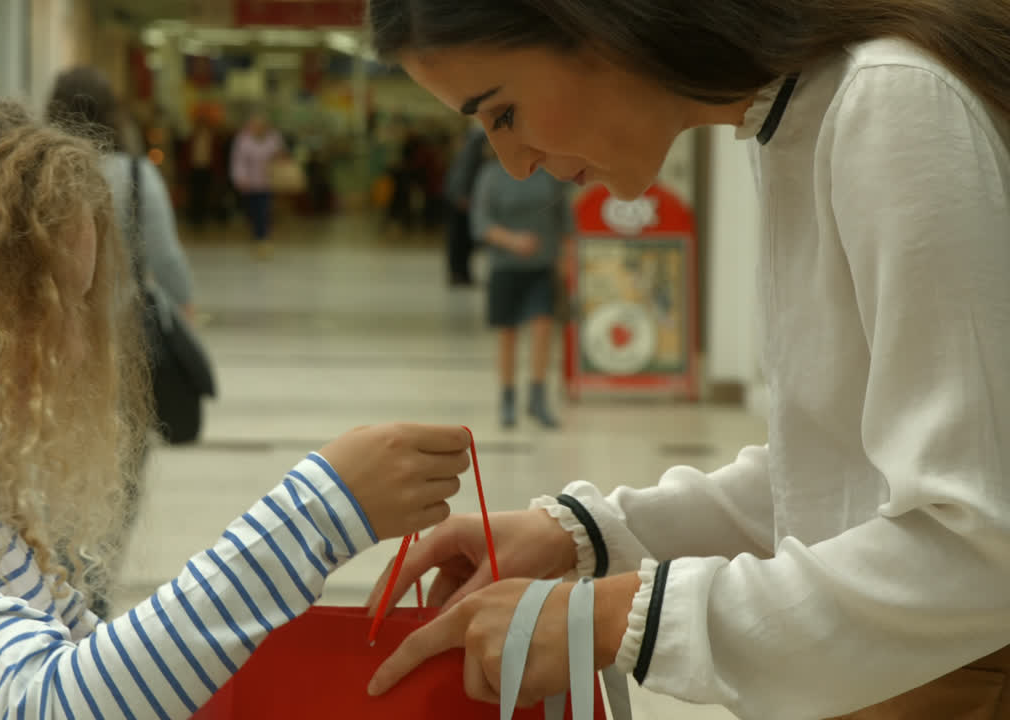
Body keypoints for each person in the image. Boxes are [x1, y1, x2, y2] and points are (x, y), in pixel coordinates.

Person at [0, 85, 473, 719]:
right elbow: (44, 702)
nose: (75, 349)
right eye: (43, 305)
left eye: (82, 305)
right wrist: (314, 515)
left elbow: (91, 665)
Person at [360, 1, 1010, 719]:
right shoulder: (798, 121)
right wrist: (585, 535)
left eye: (503, 113)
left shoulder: (890, 105)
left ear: (597, 27)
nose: (513, 166)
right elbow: (838, 475)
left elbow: (978, 546)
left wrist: (610, 618)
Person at [46, 66, 196, 319]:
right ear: (112, 112)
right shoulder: (137, 175)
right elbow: (165, 256)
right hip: (121, 323)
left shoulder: (41, 174)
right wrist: (185, 302)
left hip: (52, 324)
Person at [471, 159, 575, 429]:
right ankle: (507, 397)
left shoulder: (551, 174)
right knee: (508, 333)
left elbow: (566, 220)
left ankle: (538, 396)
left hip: (542, 267)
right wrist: (513, 241)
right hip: (504, 267)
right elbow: (481, 222)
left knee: (543, 327)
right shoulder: (491, 176)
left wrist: (566, 260)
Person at [230, 112, 285, 258]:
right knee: (253, 212)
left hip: (268, 181)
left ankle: (263, 239)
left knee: (264, 210)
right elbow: (238, 160)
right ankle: (257, 237)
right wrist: (240, 178)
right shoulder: (243, 140)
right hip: (249, 182)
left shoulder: (273, 139)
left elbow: (280, 155)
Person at [442, 124, 487, 287]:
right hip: (460, 197)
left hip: (461, 195)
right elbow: (466, 169)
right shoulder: (475, 144)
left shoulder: (473, 142)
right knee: (459, 238)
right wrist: (463, 195)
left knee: (463, 238)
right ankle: (458, 273)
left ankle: (462, 273)